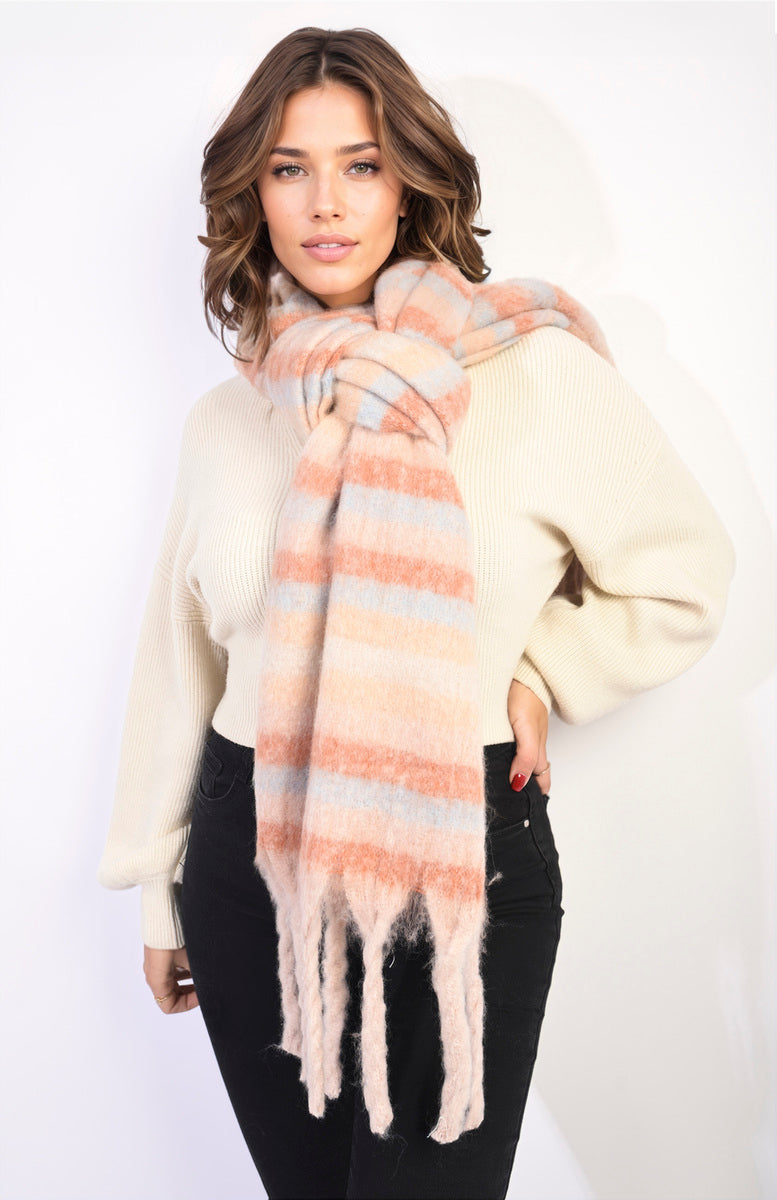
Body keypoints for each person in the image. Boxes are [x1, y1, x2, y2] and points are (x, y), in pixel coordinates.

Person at [98, 26, 734, 1200]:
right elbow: (180, 660)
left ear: (413, 184)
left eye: (363, 164)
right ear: (251, 192)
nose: (326, 203)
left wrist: (544, 672)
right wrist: (155, 883)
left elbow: (688, 573)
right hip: (251, 860)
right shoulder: (229, 419)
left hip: (461, 855)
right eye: (289, 168)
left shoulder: (537, 374)